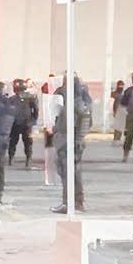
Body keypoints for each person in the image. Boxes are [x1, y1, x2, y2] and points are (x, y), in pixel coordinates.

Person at [50, 74, 92, 214]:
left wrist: (55, 129)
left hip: (68, 141)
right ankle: (78, 202)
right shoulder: (83, 100)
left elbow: (67, 125)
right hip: (76, 141)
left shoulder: (72, 103)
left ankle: (68, 203)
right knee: (75, 173)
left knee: (67, 173)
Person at [8, 78, 38, 168]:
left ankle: (27, 158)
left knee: (24, 142)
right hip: (18, 123)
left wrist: (33, 120)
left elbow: (35, 110)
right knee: (16, 142)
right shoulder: (13, 99)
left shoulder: (29, 97)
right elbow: (36, 110)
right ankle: (13, 158)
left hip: (23, 123)